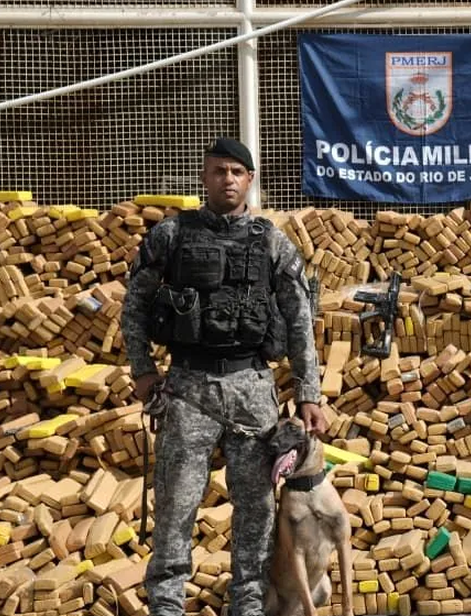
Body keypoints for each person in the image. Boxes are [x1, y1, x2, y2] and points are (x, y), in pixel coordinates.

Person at [121, 137, 325, 616]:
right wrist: (143, 371)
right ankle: (167, 606)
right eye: (218, 171)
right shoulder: (171, 236)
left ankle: (248, 606)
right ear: (204, 178)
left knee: (256, 511)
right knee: (176, 506)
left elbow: (300, 320)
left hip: (253, 390)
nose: (227, 180)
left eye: (236, 172)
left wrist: (309, 393)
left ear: (250, 180)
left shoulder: (272, 242)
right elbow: (135, 305)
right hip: (188, 388)